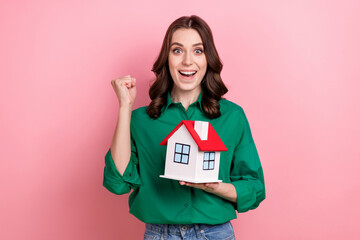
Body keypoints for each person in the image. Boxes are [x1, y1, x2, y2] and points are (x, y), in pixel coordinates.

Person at [103, 15, 265, 240]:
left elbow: (254, 186)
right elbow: (119, 182)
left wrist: (215, 187)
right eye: (177, 50)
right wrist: (124, 107)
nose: (188, 61)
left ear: (208, 58)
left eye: (198, 50)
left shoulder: (232, 116)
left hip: (215, 233)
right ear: (166, 59)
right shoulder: (141, 120)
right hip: (160, 234)